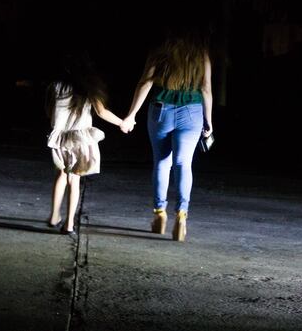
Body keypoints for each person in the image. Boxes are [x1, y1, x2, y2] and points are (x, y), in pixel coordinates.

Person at [121, 22, 213, 242]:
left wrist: (131, 114)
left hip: (161, 110)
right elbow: (206, 89)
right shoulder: (202, 55)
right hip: (192, 111)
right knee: (183, 164)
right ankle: (181, 216)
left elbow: (145, 83)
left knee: (162, 162)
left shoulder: (160, 52)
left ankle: (159, 215)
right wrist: (209, 121)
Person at [46, 50, 125, 235]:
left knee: (61, 176)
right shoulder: (88, 88)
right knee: (75, 180)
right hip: (80, 139)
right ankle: (69, 224)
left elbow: (49, 111)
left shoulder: (54, 87)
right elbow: (102, 112)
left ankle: (54, 216)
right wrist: (122, 123)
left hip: (59, 138)